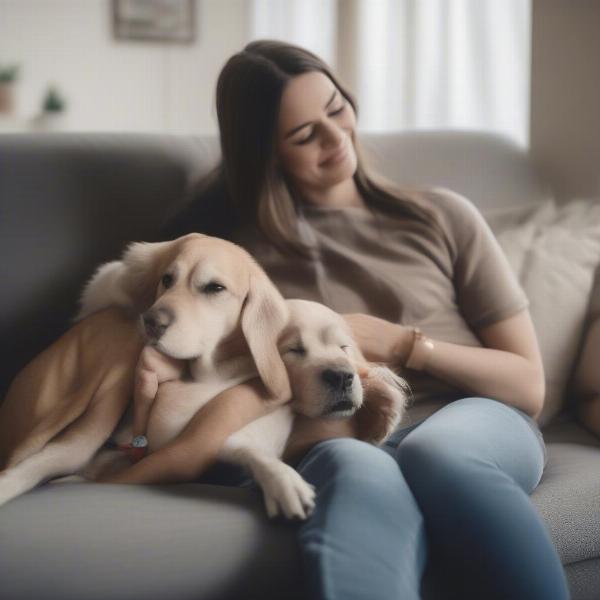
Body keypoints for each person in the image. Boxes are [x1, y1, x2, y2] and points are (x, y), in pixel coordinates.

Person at [163, 40, 570, 600]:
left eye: (337, 109)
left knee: (437, 454)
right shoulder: (232, 263)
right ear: (266, 152)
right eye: (305, 134)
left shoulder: (441, 215)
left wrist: (405, 346)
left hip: (470, 417)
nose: (335, 138)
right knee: (358, 467)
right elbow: (163, 350)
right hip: (335, 435)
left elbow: (528, 385)